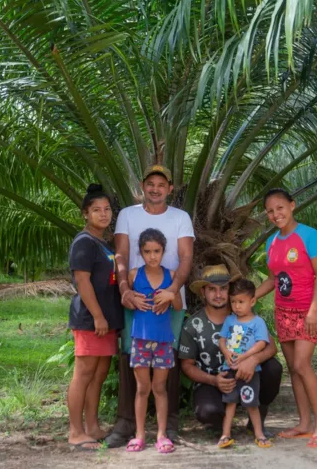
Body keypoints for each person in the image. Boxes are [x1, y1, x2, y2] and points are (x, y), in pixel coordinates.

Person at [105, 165, 195, 448]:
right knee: (130, 355)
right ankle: (127, 423)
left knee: (168, 356)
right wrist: (124, 290)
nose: (155, 188)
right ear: (142, 186)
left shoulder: (180, 218)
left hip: (171, 298)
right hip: (137, 297)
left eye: (161, 184)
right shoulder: (127, 215)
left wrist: (171, 291)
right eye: (150, 183)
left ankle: (168, 426)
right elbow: (121, 255)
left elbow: (186, 257)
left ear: (170, 188)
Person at [255, 188, 317, 448]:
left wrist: (312, 310)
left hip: (308, 311)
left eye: (280, 207)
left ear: (292, 205)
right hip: (283, 311)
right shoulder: (272, 242)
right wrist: (253, 296)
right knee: (293, 369)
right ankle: (304, 424)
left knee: (302, 364)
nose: (276, 214)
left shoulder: (309, 235)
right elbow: (273, 279)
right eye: (270, 211)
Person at [180, 265, 282, 438]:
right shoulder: (193, 325)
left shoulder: (244, 314)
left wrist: (253, 360)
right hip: (214, 381)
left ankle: (256, 422)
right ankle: (223, 427)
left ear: (230, 291)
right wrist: (213, 380)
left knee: (273, 368)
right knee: (207, 411)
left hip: (249, 375)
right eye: (212, 289)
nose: (218, 295)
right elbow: (187, 365)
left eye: (223, 289)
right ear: (203, 292)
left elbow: (271, 346)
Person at [66, 184, 123, 451]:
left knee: (99, 374)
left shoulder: (102, 243)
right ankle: (75, 431)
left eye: (107, 209)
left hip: (106, 320)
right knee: (84, 373)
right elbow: (82, 281)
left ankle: (92, 426)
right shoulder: (84, 242)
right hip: (91, 320)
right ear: (85, 214)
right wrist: (98, 316)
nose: (103, 214)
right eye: (96, 210)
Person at [124, 229, 183, 453]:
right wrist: (131, 300)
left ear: (163, 251)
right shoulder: (133, 275)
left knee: (159, 388)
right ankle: (139, 435)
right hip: (140, 338)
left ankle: (161, 434)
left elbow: (178, 307)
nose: (152, 256)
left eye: (156, 251)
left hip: (163, 340)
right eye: (147, 251)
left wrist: (172, 295)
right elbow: (126, 301)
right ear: (140, 252)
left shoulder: (171, 275)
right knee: (142, 388)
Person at [217, 279, 273, 449]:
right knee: (230, 403)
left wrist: (245, 357)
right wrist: (226, 352)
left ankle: (259, 434)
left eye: (241, 302)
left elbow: (261, 343)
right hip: (230, 369)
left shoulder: (258, 322)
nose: (237, 306)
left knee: (252, 403)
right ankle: (225, 435)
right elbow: (222, 339)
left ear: (252, 301)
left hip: (251, 371)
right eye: (233, 302)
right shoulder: (229, 320)